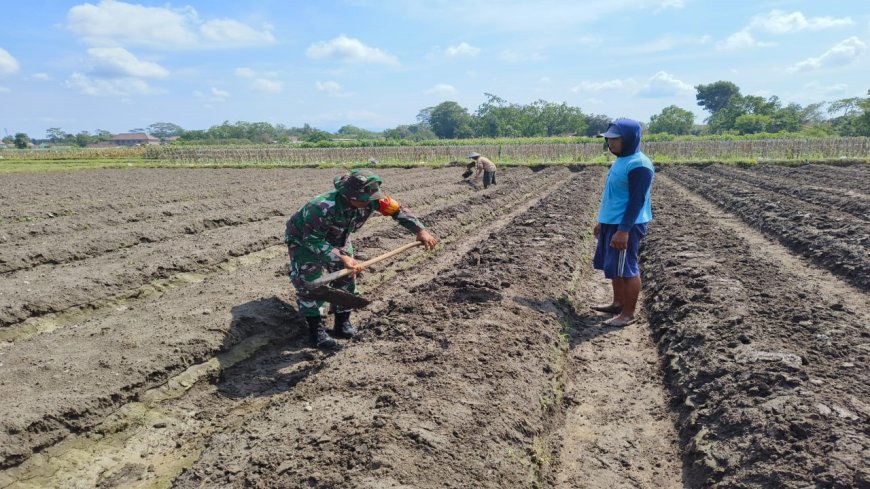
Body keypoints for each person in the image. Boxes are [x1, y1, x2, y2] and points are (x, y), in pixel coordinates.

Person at [284, 169, 437, 348]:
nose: (369, 203)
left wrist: (420, 230)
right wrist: (342, 257)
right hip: (304, 241)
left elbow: (398, 211)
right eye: (364, 200)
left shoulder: (374, 199)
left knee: (347, 276)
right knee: (310, 284)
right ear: (349, 196)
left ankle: (342, 324)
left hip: (339, 237)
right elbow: (312, 240)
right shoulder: (321, 207)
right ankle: (316, 333)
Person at [591, 118, 654, 327]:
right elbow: (613, 196)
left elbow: (637, 201)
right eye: (608, 140)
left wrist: (623, 230)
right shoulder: (621, 160)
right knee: (615, 266)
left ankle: (628, 313)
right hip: (612, 222)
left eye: (615, 139)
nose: (611, 144)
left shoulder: (640, 165)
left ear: (629, 139)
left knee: (627, 268)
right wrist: (603, 222)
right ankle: (617, 303)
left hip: (626, 224)